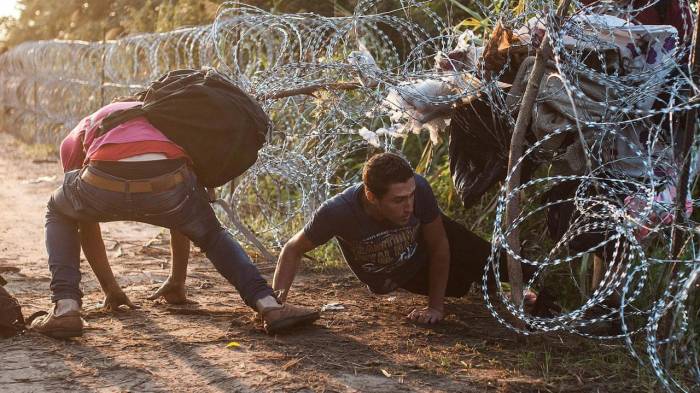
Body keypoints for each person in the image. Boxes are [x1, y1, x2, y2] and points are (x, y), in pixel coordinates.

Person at [30, 100, 319, 338]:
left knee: (60, 211)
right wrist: (177, 280)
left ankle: (66, 307)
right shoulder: (167, 118)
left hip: (102, 178)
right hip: (169, 182)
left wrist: (111, 289)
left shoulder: (83, 130)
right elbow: (185, 214)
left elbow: (85, 222)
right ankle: (269, 305)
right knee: (212, 234)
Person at [272, 152, 509, 324]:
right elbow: (292, 249)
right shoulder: (337, 211)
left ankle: (523, 281)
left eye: (411, 196)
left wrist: (435, 308)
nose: (409, 206)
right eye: (398, 200)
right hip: (396, 274)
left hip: (423, 248)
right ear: (371, 196)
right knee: (459, 286)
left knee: (471, 246)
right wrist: (275, 307)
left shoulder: (419, 191)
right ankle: (490, 286)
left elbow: (439, 245)